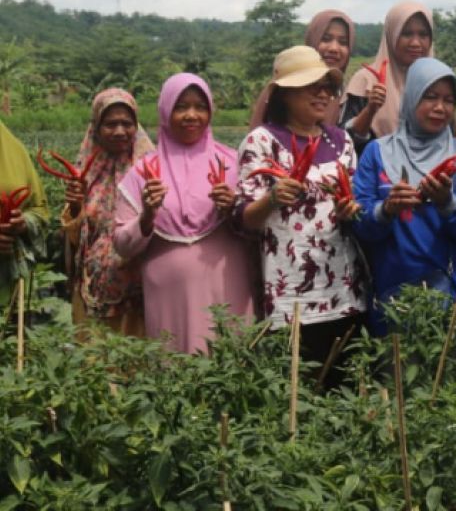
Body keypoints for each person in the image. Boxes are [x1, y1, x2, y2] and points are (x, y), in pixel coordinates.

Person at [237, 46, 367, 379]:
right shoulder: (263, 142)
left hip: (343, 283)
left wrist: (350, 209)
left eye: (328, 86)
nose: (323, 93)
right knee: (299, 385)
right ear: (285, 93)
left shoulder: (341, 141)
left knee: (343, 383)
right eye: (313, 86)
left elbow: (353, 200)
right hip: (290, 288)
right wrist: (273, 198)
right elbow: (246, 218)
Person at [113, 75, 257, 353]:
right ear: (166, 111)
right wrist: (146, 217)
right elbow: (121, 244)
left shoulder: (232, 163)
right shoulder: (143, 172)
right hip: (168, 293)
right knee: (175, 370)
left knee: (231, 360)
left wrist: (233, 208)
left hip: (227, 283)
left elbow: (259, 227)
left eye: (200, 106)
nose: (192, 115)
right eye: (181, 107)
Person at [353, 57, 456, 338]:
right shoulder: (377, 153)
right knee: (397, 378)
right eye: (430, 96)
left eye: (449, 100)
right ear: (412, 96)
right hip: (393, 294)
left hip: (454, 296)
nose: (440, 108)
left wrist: (446, 202)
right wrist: (387, 209)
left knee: (453, 377)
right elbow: (359, 223)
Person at [60, 88, 155, 334]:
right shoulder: (84, 174)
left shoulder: (152, 169)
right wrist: (75, 206)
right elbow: (74, 237)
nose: (120, 131)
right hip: (93, 290)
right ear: (96, 127)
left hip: (140, 294)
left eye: (127, 123)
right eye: (110, 124)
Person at [342, 1, 434, 153]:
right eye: (406, 34)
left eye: (423, 35)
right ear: (392, 35)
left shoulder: (437, 82)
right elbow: (347, 142)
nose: (416, 43)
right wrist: (370, 110)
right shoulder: (367, 81)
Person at [248, 9, 357, 129]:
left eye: (343, 42)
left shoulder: (348, 95)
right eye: (326, 39)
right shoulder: (283, 87)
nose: (334, 48)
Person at [0, 120, 50, 307]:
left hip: (9, 277)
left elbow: (39, 209)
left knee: (12, 333)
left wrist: (23, 223)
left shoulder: (13, 150)